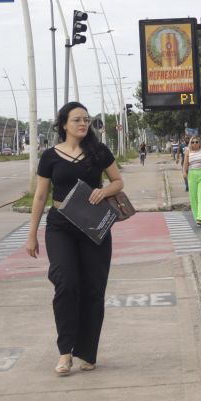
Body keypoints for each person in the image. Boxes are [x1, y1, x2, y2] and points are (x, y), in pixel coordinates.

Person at [25, 102, 123, 375]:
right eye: (77, 119)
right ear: (64, 124)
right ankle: (65, 352)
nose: (83, 124)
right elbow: (41, 196)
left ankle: (87, 353)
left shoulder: (98, 151)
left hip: (93, 228)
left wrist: (104, 192)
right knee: (66, 283)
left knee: (93, 288)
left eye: (87, 120)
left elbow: (117, 181)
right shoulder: (50, 156)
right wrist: (31, 234)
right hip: (60, 226)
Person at [182, 135, 201, 225]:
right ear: (190, 143)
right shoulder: (188, 152)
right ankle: (197, 217)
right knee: (193, 197)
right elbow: (185, 164)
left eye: (196, 142)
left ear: (200, 143)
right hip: (192, 175)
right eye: (192, 142)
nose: (194, 144)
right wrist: (184, 172)